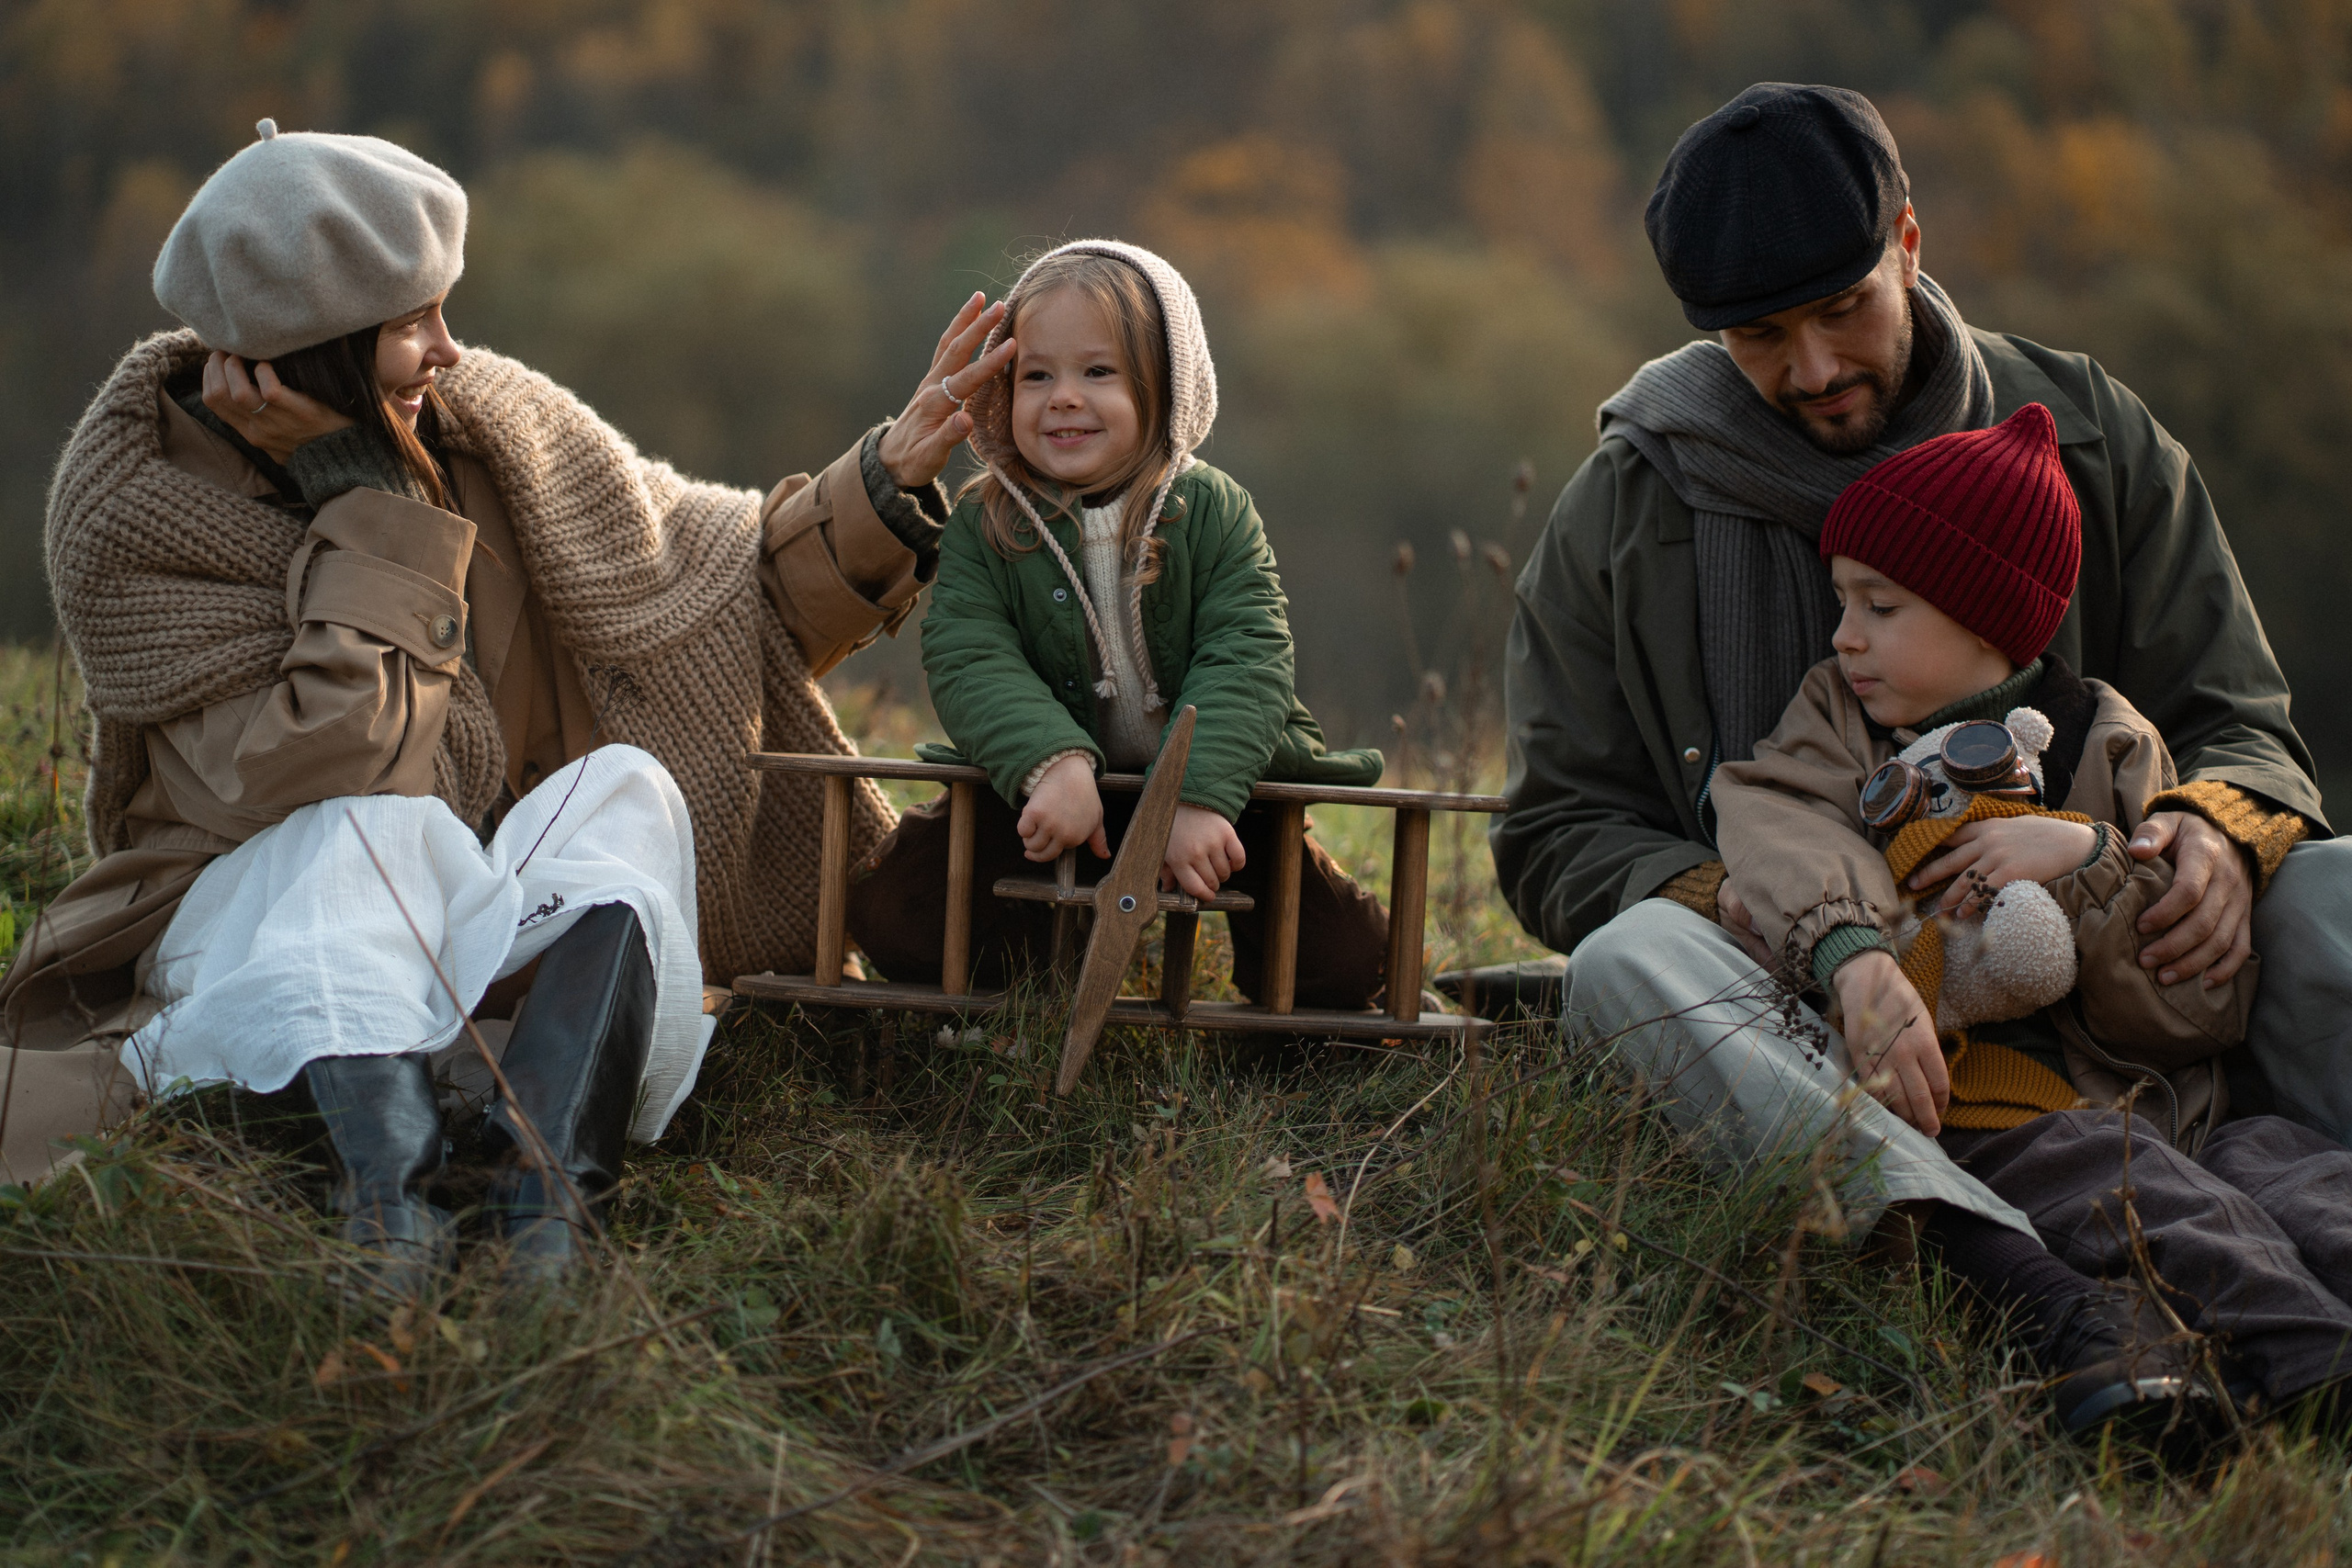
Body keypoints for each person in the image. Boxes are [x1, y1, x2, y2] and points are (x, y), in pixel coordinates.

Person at [0, 121, 1012, 1288]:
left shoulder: (487, 422)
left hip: (473, 909)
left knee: (629, 785)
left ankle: (545, 1199)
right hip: (272, 920)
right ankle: (390, 1214)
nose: (449, 347)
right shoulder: (139, 517)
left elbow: (705, 585)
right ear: (311, 351)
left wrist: (882, 484)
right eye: (411, 323)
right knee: (368, 833)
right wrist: (372, 511)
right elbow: (334, 767)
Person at [1492, 83, 2336, 1251]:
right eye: (1759, 338)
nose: (1813, 366)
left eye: (1843, 309)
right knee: (1628, 960)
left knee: (2339, 892)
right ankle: (1947, 1234)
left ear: (1907, 243)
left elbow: (2240, 719)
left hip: (2115, 971)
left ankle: (2240, 1168)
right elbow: (1556, 834)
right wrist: (1752, 907)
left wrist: (2210, 836)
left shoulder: (2090, 434)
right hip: (1797, 1004)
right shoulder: (1621, 515)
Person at [1713, 402, 2352, 1434]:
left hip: (2170, 1099)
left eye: (1879, 607)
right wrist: (1853, 949)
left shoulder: (2109, 742)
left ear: (1986, 622)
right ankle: (2313, 1370)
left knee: (2296, 1170)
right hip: (1997, 1117)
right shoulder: (1834, 722)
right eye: (1843, 602)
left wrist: (2090, 859)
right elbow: (1778, 820)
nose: (1844, 635)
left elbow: (2196, 1007)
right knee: (2150, 1200)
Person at [847, 241, 1391, 1006]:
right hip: (1051, 792)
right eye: (1037, 375)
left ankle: (1297, 996)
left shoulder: (1216, 509)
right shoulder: (987, 519)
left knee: (1343, 962)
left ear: (1163, 388)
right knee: (892, 913)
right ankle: (1029, 967)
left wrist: (1196, 795)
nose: (1063, 397)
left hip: (1222, 788)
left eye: (1097, 372)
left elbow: (1248, 655)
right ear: (1005, 390)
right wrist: (1049, 761)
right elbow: (970, 654)